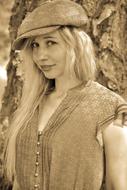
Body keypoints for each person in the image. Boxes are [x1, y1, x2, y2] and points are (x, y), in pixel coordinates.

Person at [4, 0, 127, 190]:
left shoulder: (109, 107)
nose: (40, 55)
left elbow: (117, 185)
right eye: (35, 45)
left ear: (75, 45)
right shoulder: (30, 105)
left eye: (51, 43)